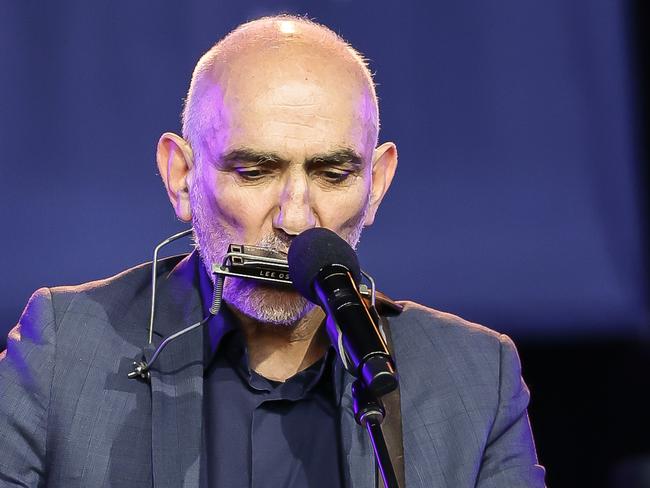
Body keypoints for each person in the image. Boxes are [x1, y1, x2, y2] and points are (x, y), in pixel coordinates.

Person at [0, 15, 546, 488]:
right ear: (182, 177)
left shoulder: (475, 378)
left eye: (333, 175)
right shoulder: (65, 352)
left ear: (376, 185)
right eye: (255, 171)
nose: (295, 220)